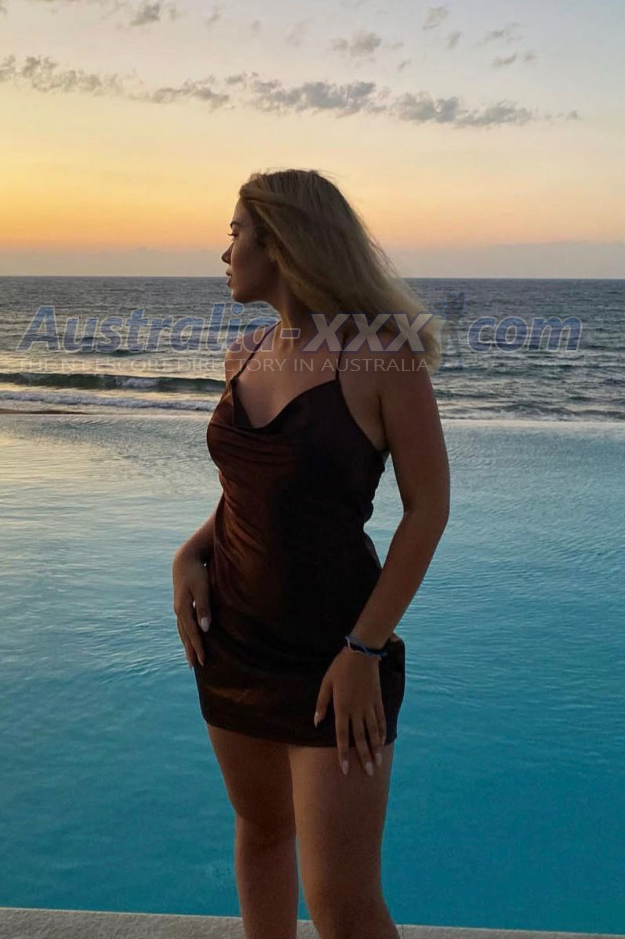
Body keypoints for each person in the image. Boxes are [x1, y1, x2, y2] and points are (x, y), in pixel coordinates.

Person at [172, 168, 450, 939]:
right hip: (233, 646)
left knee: (342, 905)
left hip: (336, 661)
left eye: (235, 232)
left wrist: (364, 649)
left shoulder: (382, 361)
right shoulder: (243, 354)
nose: (224, 250)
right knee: (261, 834)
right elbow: (250, 492)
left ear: (281, 243)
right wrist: (189, 553)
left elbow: (427, 511)